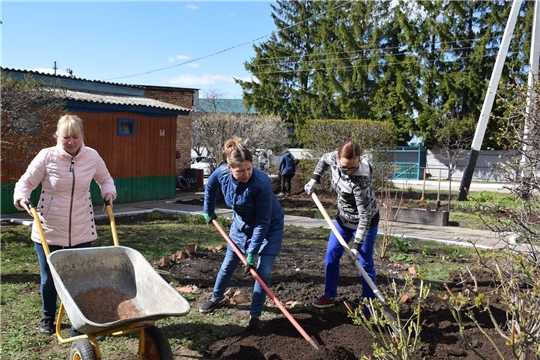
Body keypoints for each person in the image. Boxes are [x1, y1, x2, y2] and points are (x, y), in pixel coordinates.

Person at [13, 114, 117, 336]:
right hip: (48, 229)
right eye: (65, 137)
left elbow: (105, 179)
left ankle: (77, 323)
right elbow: (26, 182)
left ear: (82, 136)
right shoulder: (46, 157)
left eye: (75, 136)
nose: (71, 142)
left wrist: (108, 192)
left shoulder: (92, 157)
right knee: (49, 278)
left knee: (79, 279)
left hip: (81, 229)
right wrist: (22, 198)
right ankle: (48, 316)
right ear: (57, 137)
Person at [200, 137, 284, 330]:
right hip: (240, 226)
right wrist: (208, 210)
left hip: (269, 227)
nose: (246, 174)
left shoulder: (261, 183)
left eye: (249, 169)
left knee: (262, 272)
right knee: (228, 263)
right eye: (240, 171)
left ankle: (255, 315)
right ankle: (216, 298)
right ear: (229, 168)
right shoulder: (221, 173)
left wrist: (252, 253)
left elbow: (263, 222)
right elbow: (211, 187)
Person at [304, 140, 379, 314]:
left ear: (359, 160)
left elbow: (365, 218)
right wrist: (314, 179)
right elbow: (323, 159)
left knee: (364, 262)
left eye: (353, 167)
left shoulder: (361, 180)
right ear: (337, 159)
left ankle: (370, 306)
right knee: (331, 254)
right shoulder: (332, 158)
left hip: (365, 223)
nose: (348, 171)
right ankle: (329, 295)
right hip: (343, 220)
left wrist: (356, 247)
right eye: (344, 167)